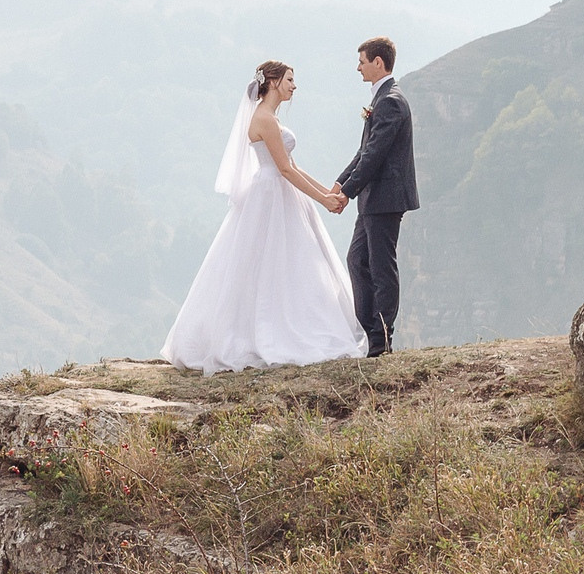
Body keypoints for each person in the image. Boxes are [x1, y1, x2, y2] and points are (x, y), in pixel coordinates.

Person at [160, 60, 367, 373]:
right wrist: (324, 200)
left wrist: (328, 191)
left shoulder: (270, 117)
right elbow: (283, 169)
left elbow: (293, 166)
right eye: (290, 79)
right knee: (269, 263)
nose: (294, 86)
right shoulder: (265, 119)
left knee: (287, 263)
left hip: (280, 192)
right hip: (271, 194)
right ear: (272, 81)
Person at [326, 37, 419, 357]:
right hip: (372, 199)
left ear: (378, 62)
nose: (358, 67)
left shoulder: (391, 101)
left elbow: (376, 154)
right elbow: (365, 151)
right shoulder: (382, 100)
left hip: (385, 198)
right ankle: (367, 331)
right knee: (357, 260)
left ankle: (381, 338)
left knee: (381, 267)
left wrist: (347, 193)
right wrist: (340, 183)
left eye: (362, 61)